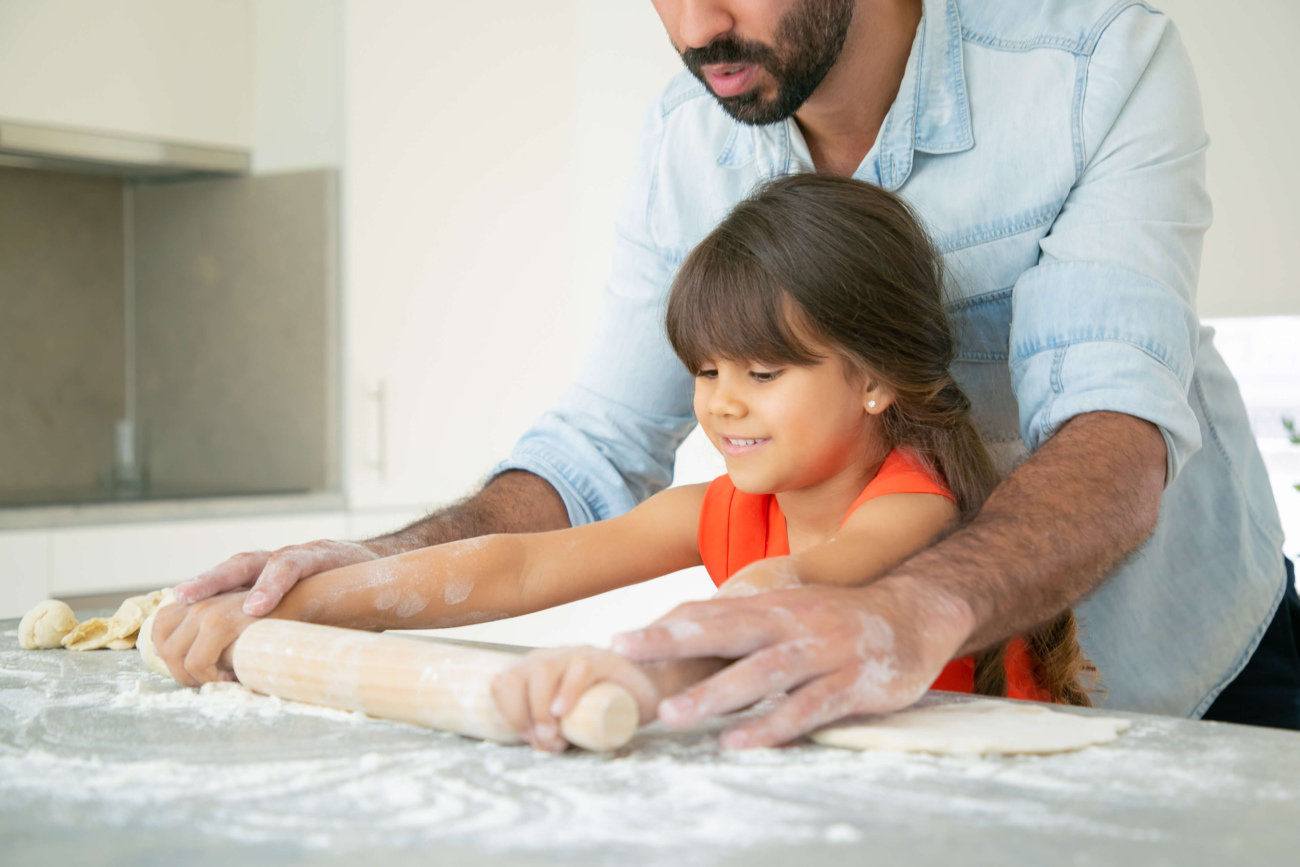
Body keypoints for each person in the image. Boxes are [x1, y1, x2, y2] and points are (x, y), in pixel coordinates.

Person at [173, 0, 1295, 742]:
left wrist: (632, 673)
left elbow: (1113, 430)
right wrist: (322, 586)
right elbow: (576, 481)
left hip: (1197, 667)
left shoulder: (1093, 64)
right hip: (907, 760)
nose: (698, 23)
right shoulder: (689, 143)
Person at [154, 175, 1093, 751]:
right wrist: (291, 598)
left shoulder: (912, 510)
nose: (722, 402)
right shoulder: (713, 507)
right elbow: (517, 563)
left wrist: (624, 676)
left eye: (764, 371)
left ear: (877, 381)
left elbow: (779, 594)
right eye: (707, 370)